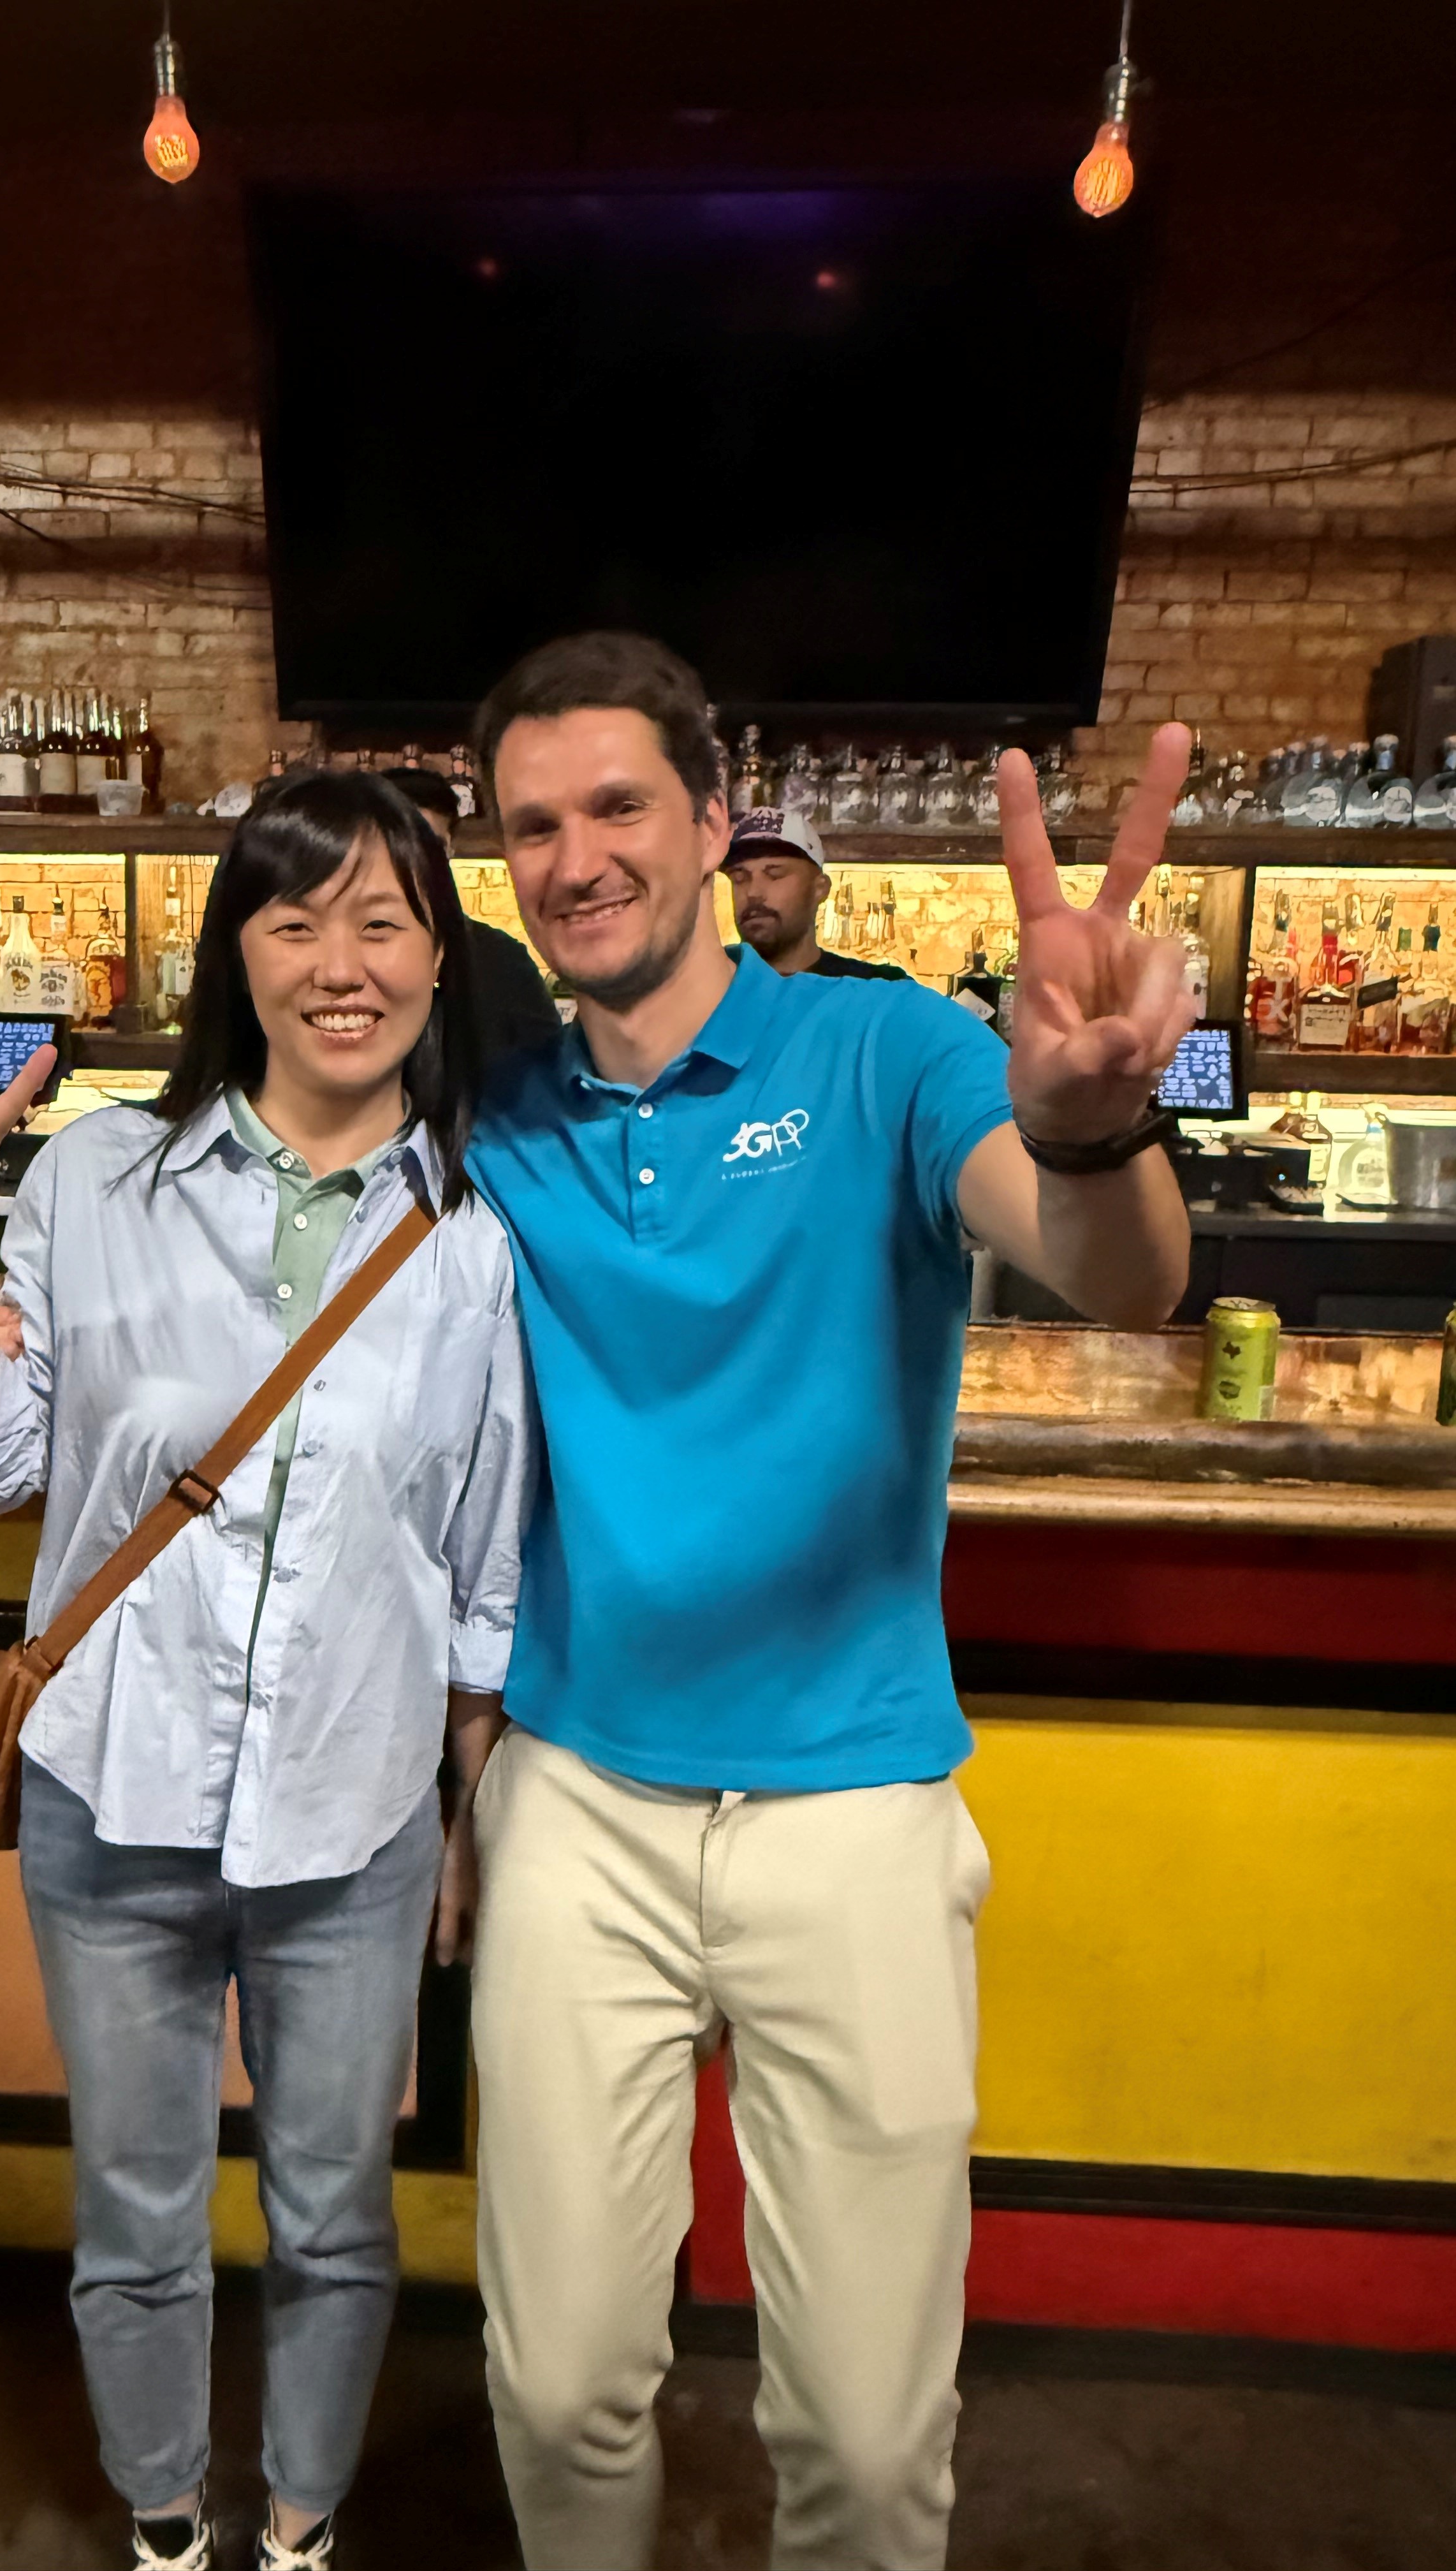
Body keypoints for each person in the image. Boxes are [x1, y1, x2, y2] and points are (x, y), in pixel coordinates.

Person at [451, 631, 1193, 2571]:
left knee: (864, 2443)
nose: (577, 858)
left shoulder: (890, 1054)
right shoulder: (498, 1116)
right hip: (577, 1797)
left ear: (717, 822)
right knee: (554, 2392)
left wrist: (1096, 1120)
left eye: (620, 805)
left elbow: (1121, 1278)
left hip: (854, 1800)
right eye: (533, 826)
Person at [0, 771, 531, 2571]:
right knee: (138, 2215)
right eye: (294, 920)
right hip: (116, 1794)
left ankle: (301, 2528)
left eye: (384, 922)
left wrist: (465, 1816)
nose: (342, 964)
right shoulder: (101, 1178)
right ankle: (168, 2523)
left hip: (353, 1811)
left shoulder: (477, 1236)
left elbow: (481, 1560)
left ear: (439, 959)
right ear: (235, 954)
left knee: (335, 2218)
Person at [382, 764, 565, 1058]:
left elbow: (549, 1065)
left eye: (432, 846)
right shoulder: (346, 960)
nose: (417, 860)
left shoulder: (500, 958)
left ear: (449, 849)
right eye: (404, 845)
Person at [724, 804, 905, 980]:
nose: (753, 892)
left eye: (775, 875)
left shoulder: (878, 989)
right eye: (739, 878)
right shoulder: (712, 987)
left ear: (820, 888)